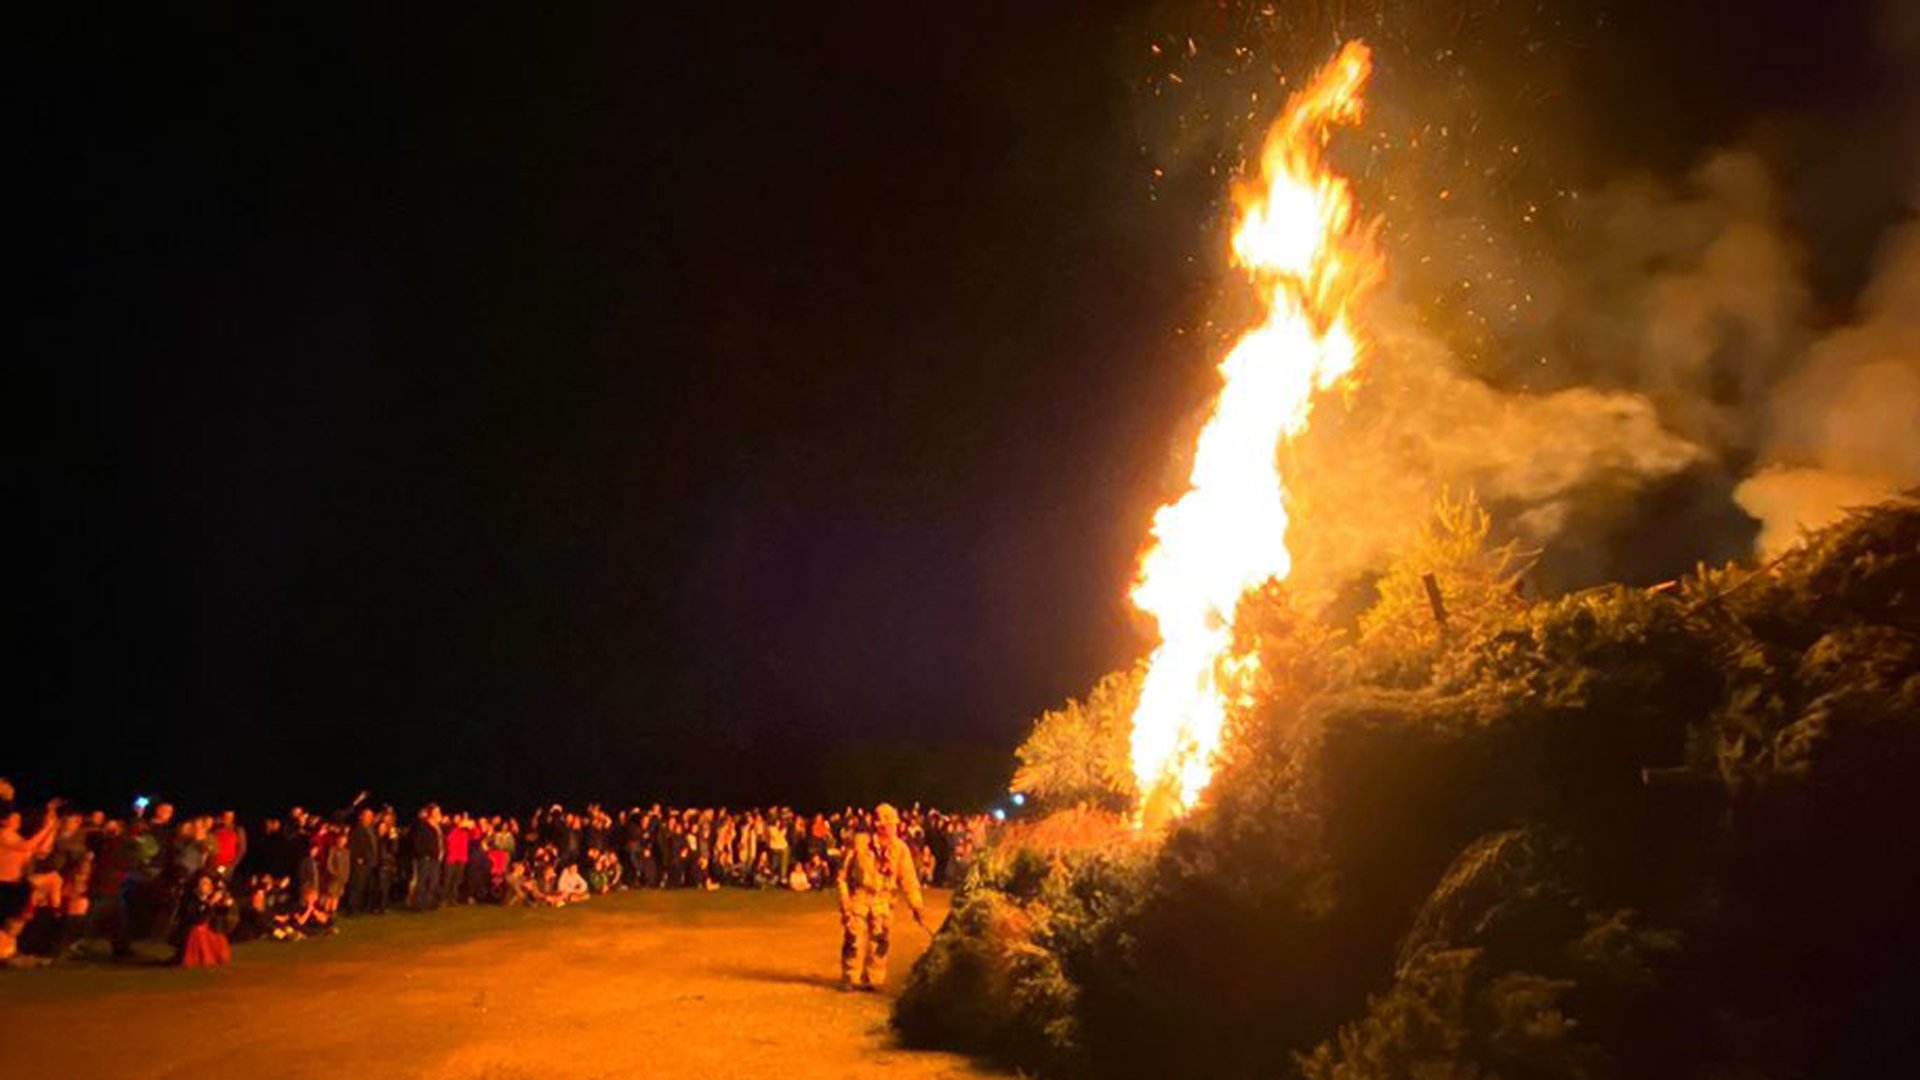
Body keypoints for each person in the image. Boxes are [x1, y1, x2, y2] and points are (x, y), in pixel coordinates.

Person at [835, 803, 929, 992]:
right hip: (860, 896)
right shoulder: (860, 844)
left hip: (884, 900)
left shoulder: (900, 849)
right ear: (878, 825)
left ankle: (873, 979)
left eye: (893, 824)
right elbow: (842, 877)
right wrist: (845, 903)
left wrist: (917, 905)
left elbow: (909, 879)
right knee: (853, 939)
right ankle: (850, 977)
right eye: (888, 824)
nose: (892, 828)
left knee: (879, 942)